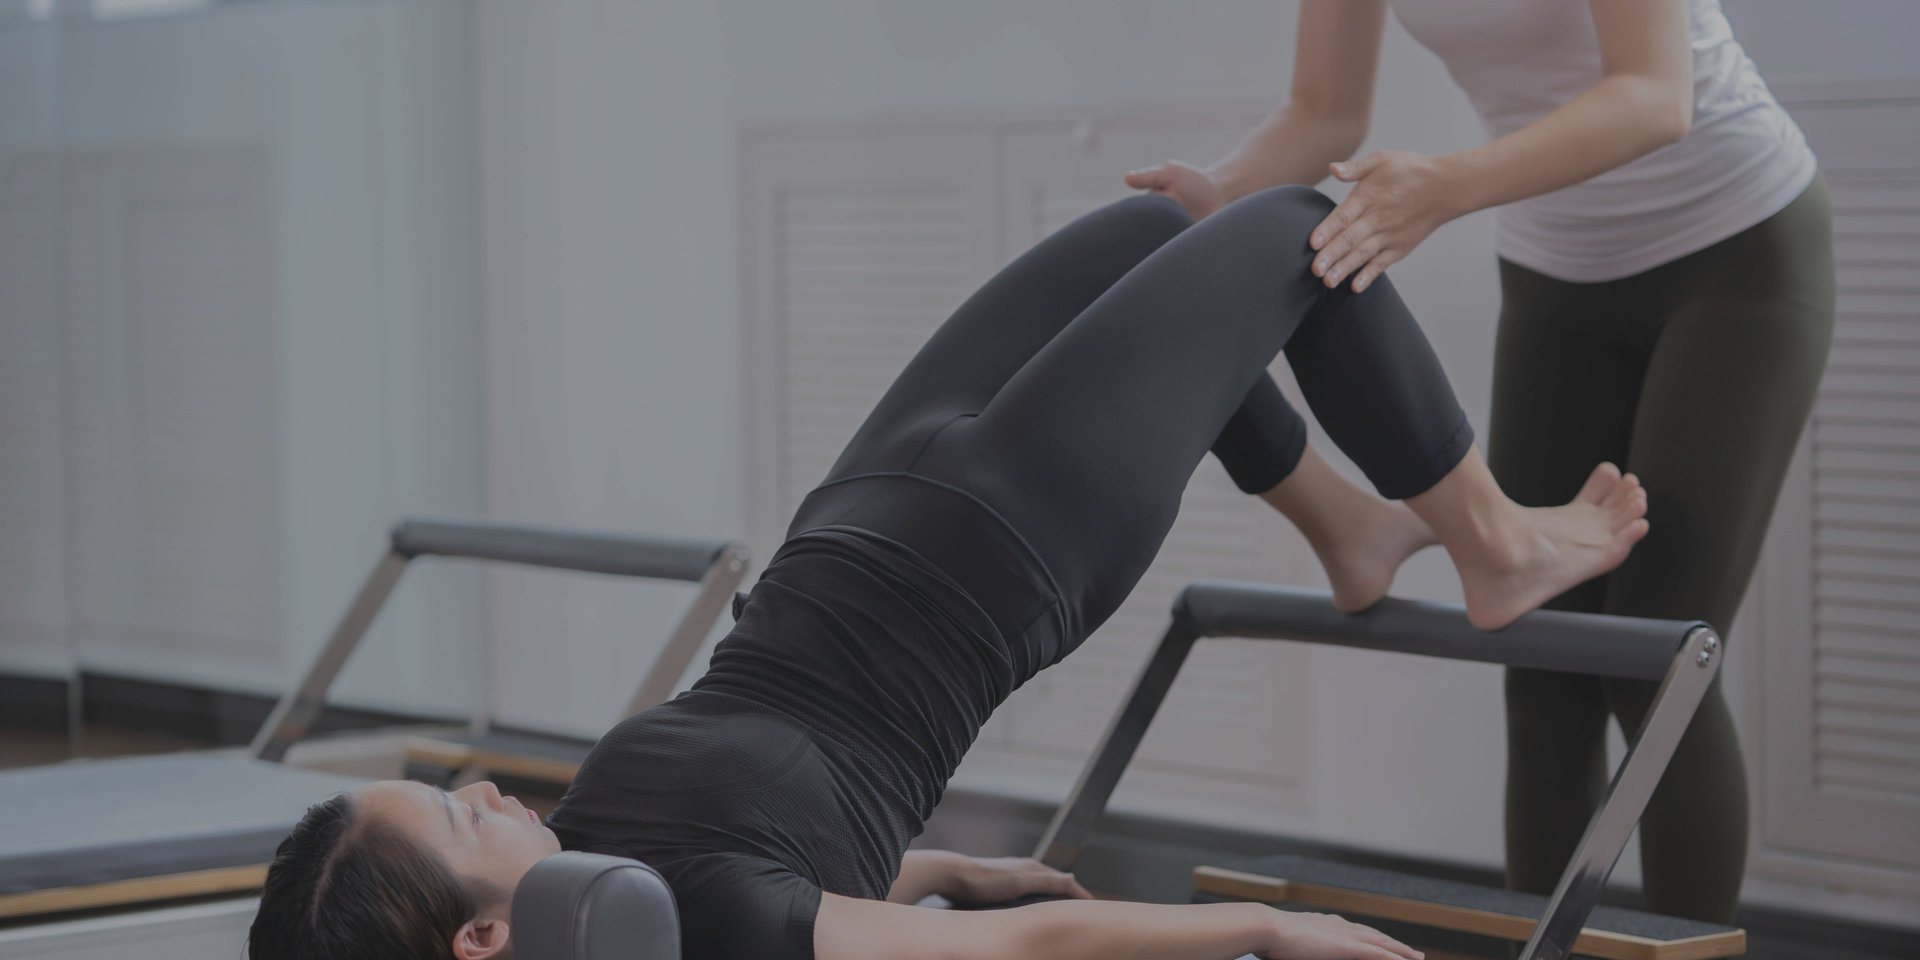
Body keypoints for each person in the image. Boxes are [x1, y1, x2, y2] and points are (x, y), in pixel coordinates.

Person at [247, 184, 1647, 960]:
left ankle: (1349, 530)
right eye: (459, 814)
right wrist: (1270, 936)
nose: (486, 787)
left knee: (1159, 228)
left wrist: (943, 869)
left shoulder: (606, 867)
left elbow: (787, 842)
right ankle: (1494, 545)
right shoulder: (723, 934)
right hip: (1009, 549)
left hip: (872, 502)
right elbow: (1026, 955)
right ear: (481, 942)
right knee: (1307, 229)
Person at [1122, 0, 1831, 925]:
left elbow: (1657, 97)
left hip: (1733, 248)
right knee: (1540, 657)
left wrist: (1444, 185)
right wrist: (1220, 189)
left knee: (1658, 661)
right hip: (1554, 274)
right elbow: (1324, 111)